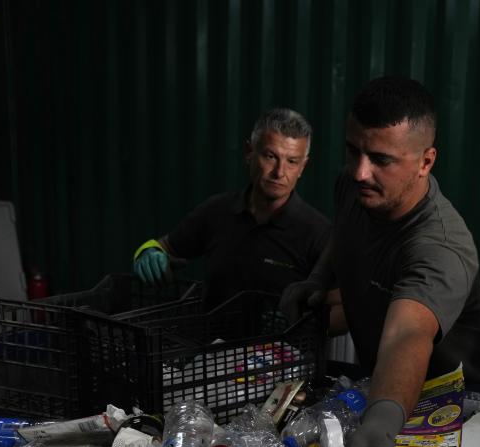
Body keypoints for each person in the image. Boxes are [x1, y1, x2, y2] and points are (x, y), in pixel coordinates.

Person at [281, 77, 480, 447]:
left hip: (453, 424)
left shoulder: (439, 245)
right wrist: (318, 280)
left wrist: (380, 424)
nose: (360, 171)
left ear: (425, 162)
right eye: (353, 150)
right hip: (383, 402)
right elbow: (342, 234)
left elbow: (406, 334)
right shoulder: (356, 187)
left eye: (381, 159)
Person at [132, 108, 331, 310]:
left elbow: (333, 304)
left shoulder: (318, 233)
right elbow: (165, 247)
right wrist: (148, 251)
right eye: (270, 156)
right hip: (210, 341)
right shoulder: (215, 211)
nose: (279, 172)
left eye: (292, 162)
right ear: (249, 153)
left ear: (303, 167)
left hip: (279, 342)